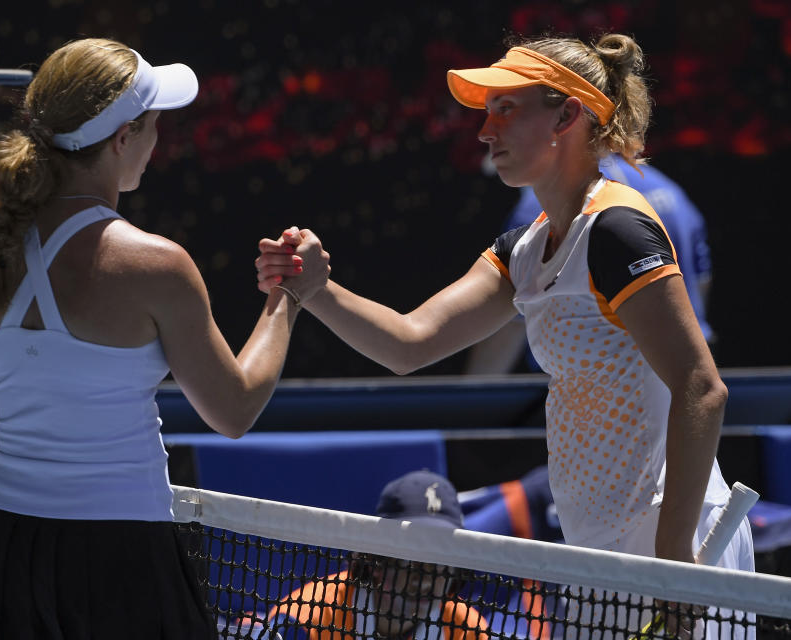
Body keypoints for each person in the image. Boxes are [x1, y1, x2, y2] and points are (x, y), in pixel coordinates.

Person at [257, 31, 754, 592]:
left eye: (506, 110)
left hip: (671, 543)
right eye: (488, 112)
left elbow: (701, 387)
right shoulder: (523, 249)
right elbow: (407, 344)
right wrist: (317, 288)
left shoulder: (616, 228)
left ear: (567, 115)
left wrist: (671, 554)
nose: (485, 129)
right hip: (596, 549)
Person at [0, 38, 329, 640]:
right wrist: (291, 297)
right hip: (123, 560)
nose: (157, 143)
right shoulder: (158, 267)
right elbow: (234, 410)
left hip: (2, 553)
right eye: (155, 126)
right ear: (122, 139)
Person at [465, 152, 714, 374]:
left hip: (603, 388)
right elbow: (698, 283)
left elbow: (511, 322)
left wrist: (473, 407)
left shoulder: (543, 207)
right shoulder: (670, 191)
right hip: (685, 375)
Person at [263, 470, 491, 639]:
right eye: (415, 556)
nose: (427, 577)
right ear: (377, 561)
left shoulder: (469, 631)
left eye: (442, 557)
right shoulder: (302, 622)